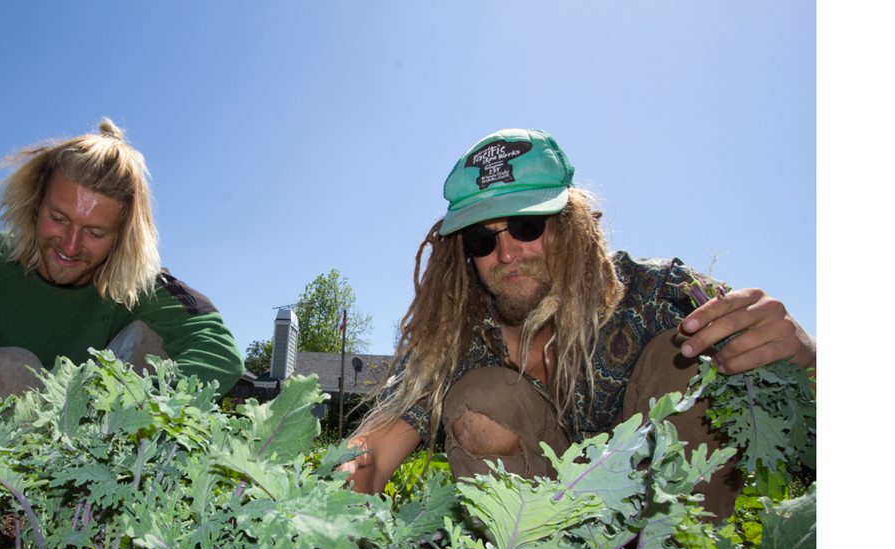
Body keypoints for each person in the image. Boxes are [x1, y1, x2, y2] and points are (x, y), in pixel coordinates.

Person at [341, 128, 815, 523]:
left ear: (569, 224)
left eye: (527, 227)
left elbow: (798, 380)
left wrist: (806, 356)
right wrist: (340, 503)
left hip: (661, 547)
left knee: (686, 354)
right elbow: (374, 452)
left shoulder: (657, 292)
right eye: (484, 239)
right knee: (478, 401)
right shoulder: (457, 340)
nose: (507, 254)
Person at [0, 119, 245, 404]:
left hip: (92, 448)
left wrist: (145, 416)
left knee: (152, 340)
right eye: (58, 218)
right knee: (7, 370)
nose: (70, 247)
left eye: (95, 233)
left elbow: (218, 351)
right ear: (35, 202)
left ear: (122, 236)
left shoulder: (133, 279)